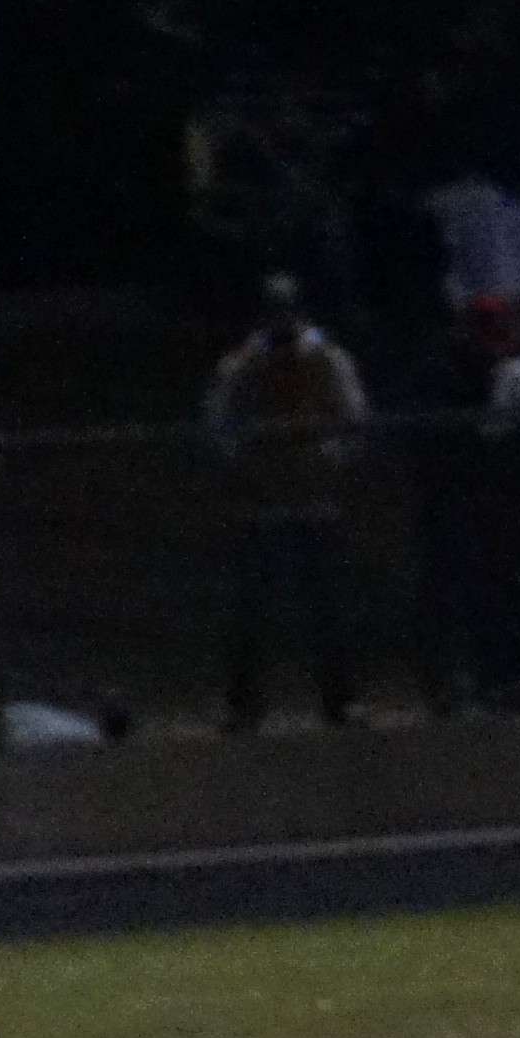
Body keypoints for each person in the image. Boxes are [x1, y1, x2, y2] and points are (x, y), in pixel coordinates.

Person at [205, 274, 366, 733]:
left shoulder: (328, 360)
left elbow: (353, 417)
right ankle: (244, 704)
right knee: (252, 609)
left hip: (315, 500)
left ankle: (341, 700)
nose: (282, 319)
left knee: (328, 604)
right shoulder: (242, 365)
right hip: (262, 502)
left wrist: (325, 461)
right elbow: (219, 422)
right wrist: (248, 465)